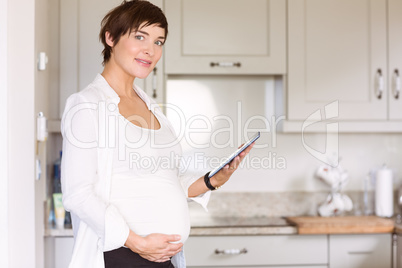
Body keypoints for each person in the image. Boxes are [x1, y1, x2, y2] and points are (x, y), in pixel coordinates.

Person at [61, 1, 254, 267]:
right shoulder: (86, 105)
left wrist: (213, 180)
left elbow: (164, 179)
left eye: (159, 41)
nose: (150, 50)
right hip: (119, 256)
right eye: (140, 36)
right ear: (111, 38)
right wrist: (137, 243)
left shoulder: (151, 107)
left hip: (163, 258)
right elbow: (77, 194)